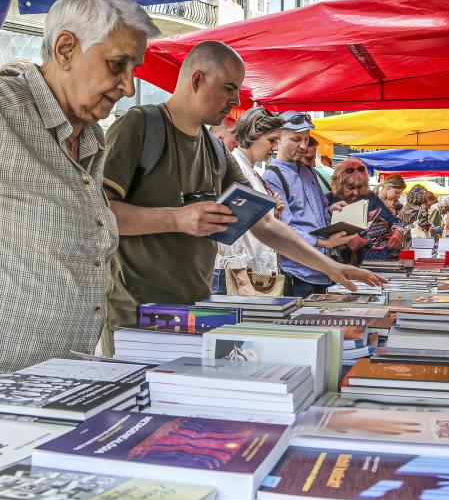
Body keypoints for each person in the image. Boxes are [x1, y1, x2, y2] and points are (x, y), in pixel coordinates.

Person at [102, 44, 383, 354]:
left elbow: (263, 222)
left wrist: (329, 267)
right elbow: (96, 214)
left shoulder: (216, 149)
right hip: (137, 316)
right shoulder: (140, 125)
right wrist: (177, 218)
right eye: (228, 89)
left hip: (196, 311)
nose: (235, 101)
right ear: (196, 80)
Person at [0, 0, 159, 371]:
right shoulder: (5, 112)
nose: (129, 86)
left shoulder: (91, 136)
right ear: (66, 49)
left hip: (65, 377)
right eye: (117, 64)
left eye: (133, 69)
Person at [263, 111, 355, 297]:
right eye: (296, 139)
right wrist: (324, 242)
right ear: (278, 138)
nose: (304, 146)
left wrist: (332, 211)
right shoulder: (272, 176)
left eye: (306, 139)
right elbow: (283, 228)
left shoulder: (308, 171)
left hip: (322, 270)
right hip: (298, 272)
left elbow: (319, 209)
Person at [212, 107, 284, 295]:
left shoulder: (252, 171)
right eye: (271, 140)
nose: (275, 148)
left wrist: (273, 214)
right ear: (253, 134)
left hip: (250, 274)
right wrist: (243, 281)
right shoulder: (237, 167)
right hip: (237, 278)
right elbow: (226, 225)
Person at [327, 158, 403, 264]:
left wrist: (397, 233)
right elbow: (316, 235)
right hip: (335, 262)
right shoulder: (328, 200)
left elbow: (394, 220)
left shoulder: (369, 197)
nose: (356, 192)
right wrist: (345, 240)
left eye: (360, 187)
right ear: (338, 184)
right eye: (350, 188)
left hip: (363, 260)